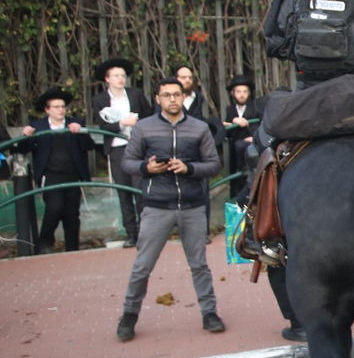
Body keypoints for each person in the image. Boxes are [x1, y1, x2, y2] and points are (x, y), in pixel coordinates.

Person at [115, 78, 224, 341]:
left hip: (193, 205)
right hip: (156, 206)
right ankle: (129, 315)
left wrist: (190, 168)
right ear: (157, 99)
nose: (173, 99)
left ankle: (209, 313)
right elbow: (127, 162)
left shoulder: (199, 128)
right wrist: (146, 168)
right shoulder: (144, 128)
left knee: (199, 265)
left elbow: (214, 164)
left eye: (177, 95)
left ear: (184, 98)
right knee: (142, 265)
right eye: (167, 95)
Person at [18, 88, 96, 253]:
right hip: (51, 175)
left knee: (72, 214)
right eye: (56, 107)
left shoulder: (74, 123)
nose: (60, 110)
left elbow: (89, 146)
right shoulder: (38, 126)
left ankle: (72, 248)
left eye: (62, 106)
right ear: (47, 110)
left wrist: (80, 132)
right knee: (54, 208)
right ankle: (44, 242)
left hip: (72, 175)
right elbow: (23, 149)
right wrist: (26, 135)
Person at [91, 57, 153, 247]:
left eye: (123, 75)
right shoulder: (100, 100)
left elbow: (150, 116)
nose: (120, 79)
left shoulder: (135, 94)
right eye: (116, 75)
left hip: (137, 147)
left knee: (140, 191)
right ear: (107, 79)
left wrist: (139, 126)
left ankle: (145, 233)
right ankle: (131, 234)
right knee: (124, 193)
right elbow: (102, 125)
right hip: (117, 149)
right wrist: (122, 124)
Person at [222, 74, 261, 200]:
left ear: (249, 93)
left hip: (251, 150)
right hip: (234, 152)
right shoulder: (230, 109)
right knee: (236, 181)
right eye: (238, 91)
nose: (242, 94)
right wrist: (232, 122)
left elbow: (261, 125)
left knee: (251, 180)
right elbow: (226, 131)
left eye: (245, 91)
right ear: (233, 93)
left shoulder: (255, 107)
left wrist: (252, 134)